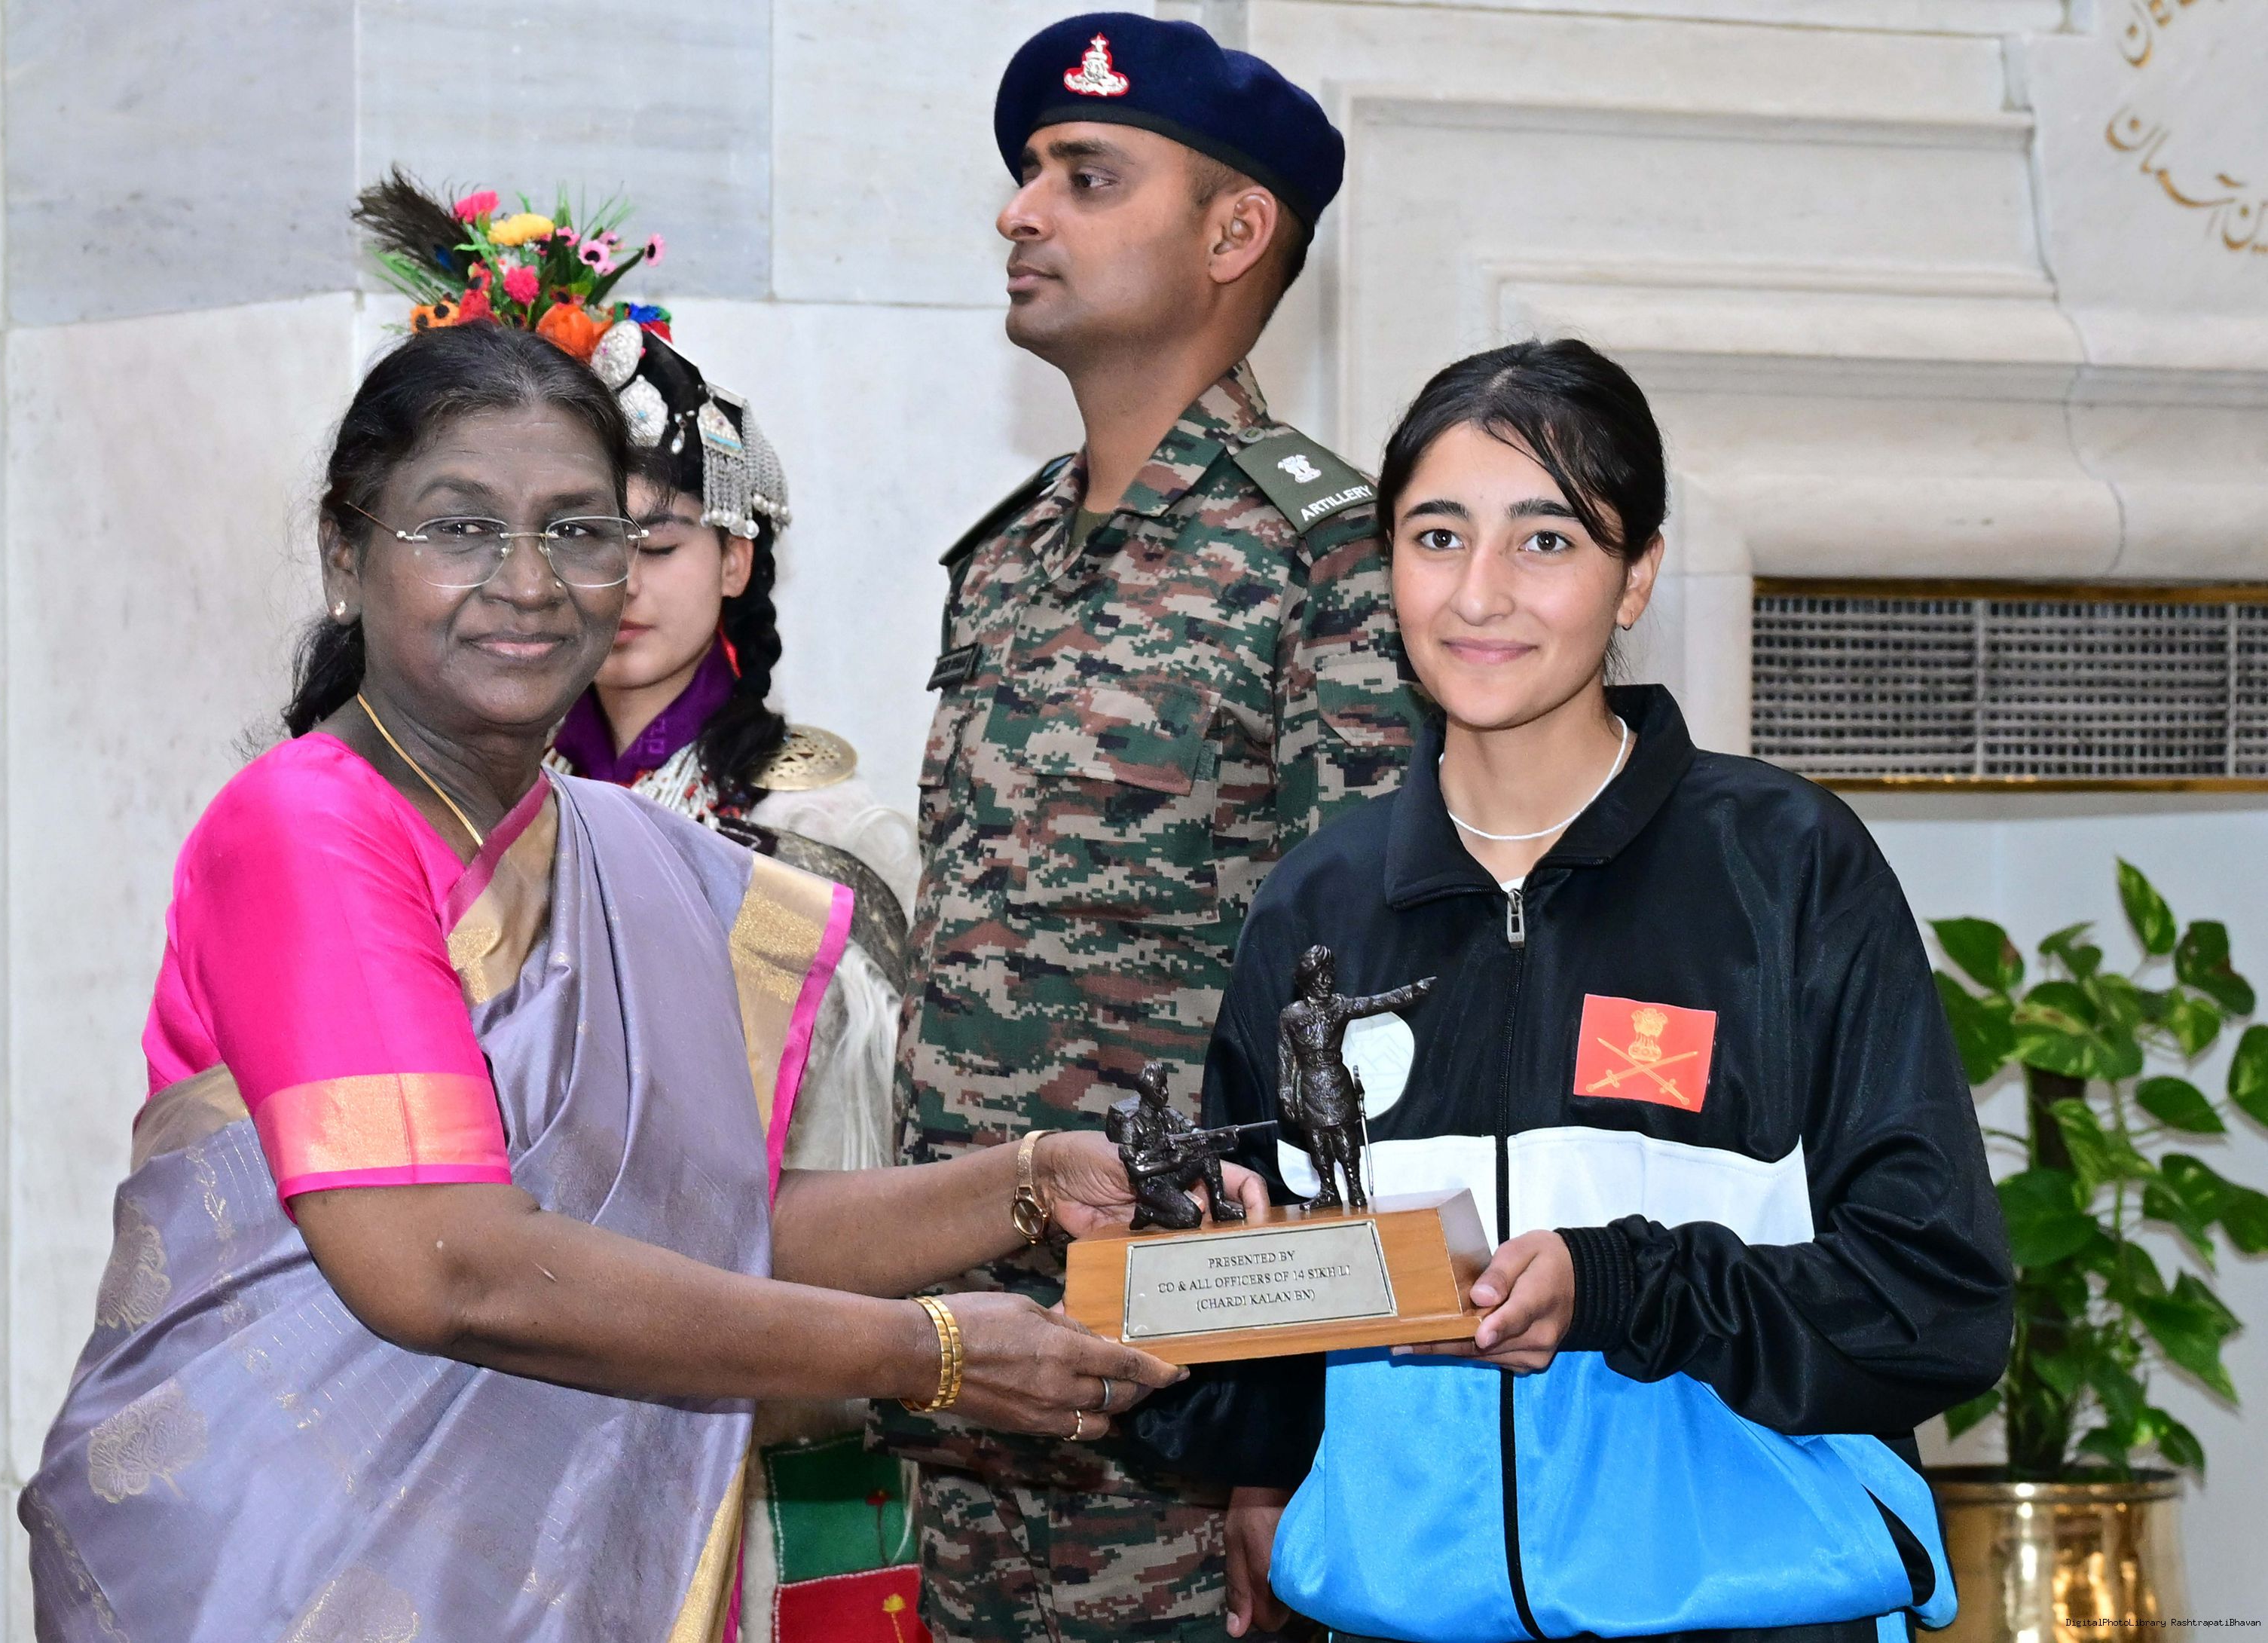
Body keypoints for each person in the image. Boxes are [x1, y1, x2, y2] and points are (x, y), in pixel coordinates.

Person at [20, 321, 1267, 1643]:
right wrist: (930, 1353)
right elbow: (442, 1269)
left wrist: (1021, 1183)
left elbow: (691, 1221)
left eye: (578, 530)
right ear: (345, 552)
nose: (526, 582)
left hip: (517, 1558)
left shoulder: (611, 849)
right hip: (290, 1559)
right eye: (459, 528)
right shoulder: (310, 828)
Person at [1177, 338, 2013, 1642]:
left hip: (1753, 1611)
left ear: (1637, 578)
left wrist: (1614, 1287)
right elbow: (1259, 1378)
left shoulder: (1783, 867)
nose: (1479, 593)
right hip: (1407, 1621)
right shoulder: (1316, 906)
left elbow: (1935, 1303)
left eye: (1547, 540)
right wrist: (1190, 1274)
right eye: (1436, 536)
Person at [882, 12, 1418, 1640]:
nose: (1020, 211)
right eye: (1027, 172)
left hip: (1181, 1403)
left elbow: (1352, 1027)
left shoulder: (1332, 557)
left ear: (1235, 233)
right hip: (969, 1371)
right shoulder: (1005, 557)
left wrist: (1279, 1440)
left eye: (1086, 176)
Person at [556, 311, 931, 1629]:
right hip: (538, 1368)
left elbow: (875, 1134)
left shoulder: (830, 833)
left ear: (735, 555)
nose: (622, 583)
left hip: (781, 1380)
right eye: (585, 543)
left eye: (658, 544)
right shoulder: (488, 818)